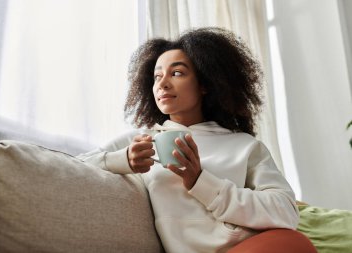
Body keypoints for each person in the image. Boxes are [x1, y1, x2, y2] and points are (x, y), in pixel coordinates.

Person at [78, 27, 299, 253]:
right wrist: (124, 160)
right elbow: (76, 165)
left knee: (294, 243)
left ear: (205, 83)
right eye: (157, 76)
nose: (162, 84)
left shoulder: (245, 145)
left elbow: (286, 212)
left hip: (254, 247)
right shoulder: (142, 141)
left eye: (177, 73)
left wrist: (200, 181)